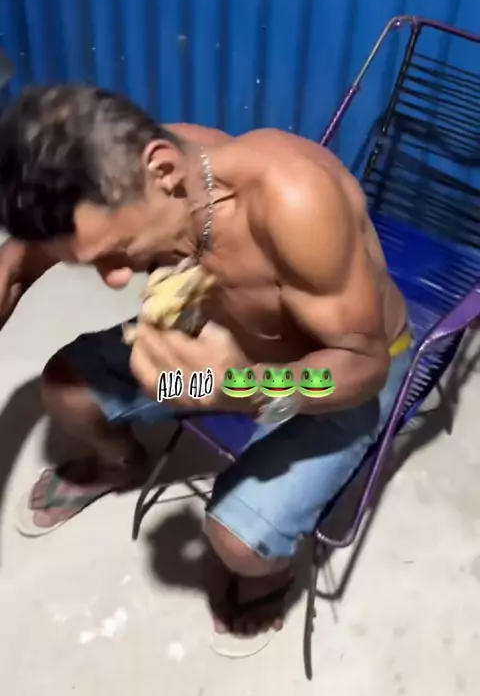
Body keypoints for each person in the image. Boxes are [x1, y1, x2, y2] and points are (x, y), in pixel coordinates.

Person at [0, 85, 412, 656]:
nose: (115, 279)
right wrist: (12, 270)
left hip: (329, 377)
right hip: (211, 367)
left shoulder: (294, 202)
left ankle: (269, 580)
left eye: (117, 252)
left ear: (163, 171)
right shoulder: (130, 176)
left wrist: (243, 388)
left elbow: (363, 367)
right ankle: (120, 462)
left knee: (238, 544)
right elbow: (25, 257)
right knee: (67, 389)